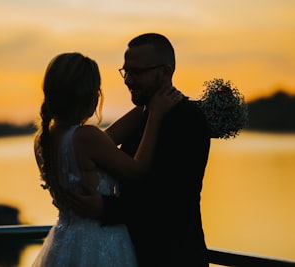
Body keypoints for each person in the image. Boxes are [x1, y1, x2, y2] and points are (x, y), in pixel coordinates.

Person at [65, 33, 213, 266]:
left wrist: (104, 208)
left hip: (172, 257)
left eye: (137, 72)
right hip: (130, 254)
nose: (128, 80)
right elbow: (102, 146)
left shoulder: (188, 120)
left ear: (165, 72)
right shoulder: (144, 116)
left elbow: (169, 201)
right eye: (126, 71)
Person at [31, 52, 181, 267]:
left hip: (65, 243)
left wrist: (147, 105)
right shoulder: (87, 137)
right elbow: (137, 170)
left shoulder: (44, 140)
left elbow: (107, 139)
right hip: (99, 243)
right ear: (90, 95)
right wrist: (155, 116)